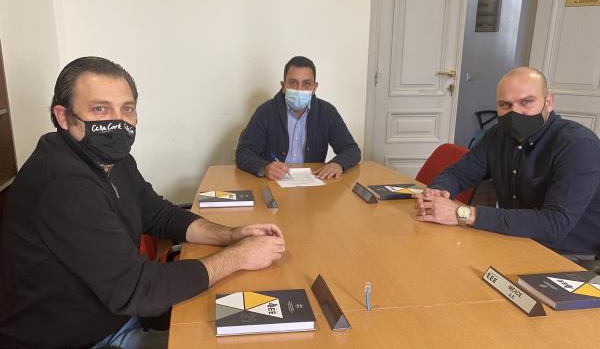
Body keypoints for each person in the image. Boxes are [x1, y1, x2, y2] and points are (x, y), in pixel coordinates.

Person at [0, 57, 286, 349]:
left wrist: (230, 235)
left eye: (126, 109)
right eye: (100, 109)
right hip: (82, 339)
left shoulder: (113, 160)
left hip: (120, 317)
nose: (117, 122)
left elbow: (158, 214)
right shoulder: (62, 185)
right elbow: (137, 289)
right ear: (63, 117)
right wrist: (238, 257)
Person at [414, 67, 600, 259]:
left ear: (548, 102)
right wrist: (437, 193)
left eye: (526, 102)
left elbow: (554, 224)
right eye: (505, 105)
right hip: (512, 236)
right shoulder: (498, 135)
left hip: (568, 255)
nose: (515, 112)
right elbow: (458, 174)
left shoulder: (578, 145)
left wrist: (463, 213)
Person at [236, 56, 361, 180]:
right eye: (293, 83)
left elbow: (352, 149)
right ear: (283, 86)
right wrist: (264, 168)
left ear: (314, 87)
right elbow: (243, 152)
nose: (299, 89)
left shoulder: (327, 112)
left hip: (313, 185)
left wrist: (338, 163)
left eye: (306, 84)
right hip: (273, 183)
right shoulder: (265, 111)